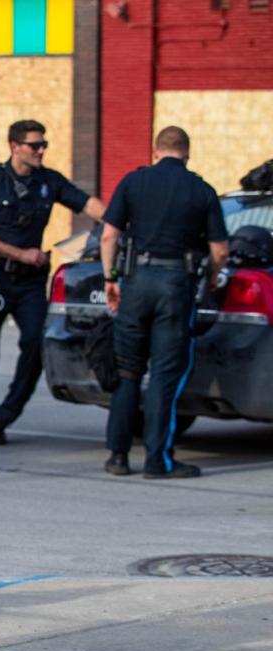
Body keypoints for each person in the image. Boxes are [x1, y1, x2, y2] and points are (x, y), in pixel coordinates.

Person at [0, 120, 105, 444]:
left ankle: (6, 414)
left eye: (44, 145)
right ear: (15, 147)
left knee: (36, 342)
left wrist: (116, 223)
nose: (41, 150)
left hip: (28, 284)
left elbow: (88, 204)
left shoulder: (48, 181)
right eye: (35, 145)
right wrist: (20, 253)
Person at [101, 126, 228, 479]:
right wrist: (214, 277)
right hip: (176, 286)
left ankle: (118, 456)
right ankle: (158, 461)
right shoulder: (201, 189)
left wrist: (111, 278)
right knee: (163, 377)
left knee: (127, 372)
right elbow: (219, 249)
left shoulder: (132, 182)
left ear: (155, 151)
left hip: (135, 283)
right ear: (186, 153)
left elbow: (109, 234)